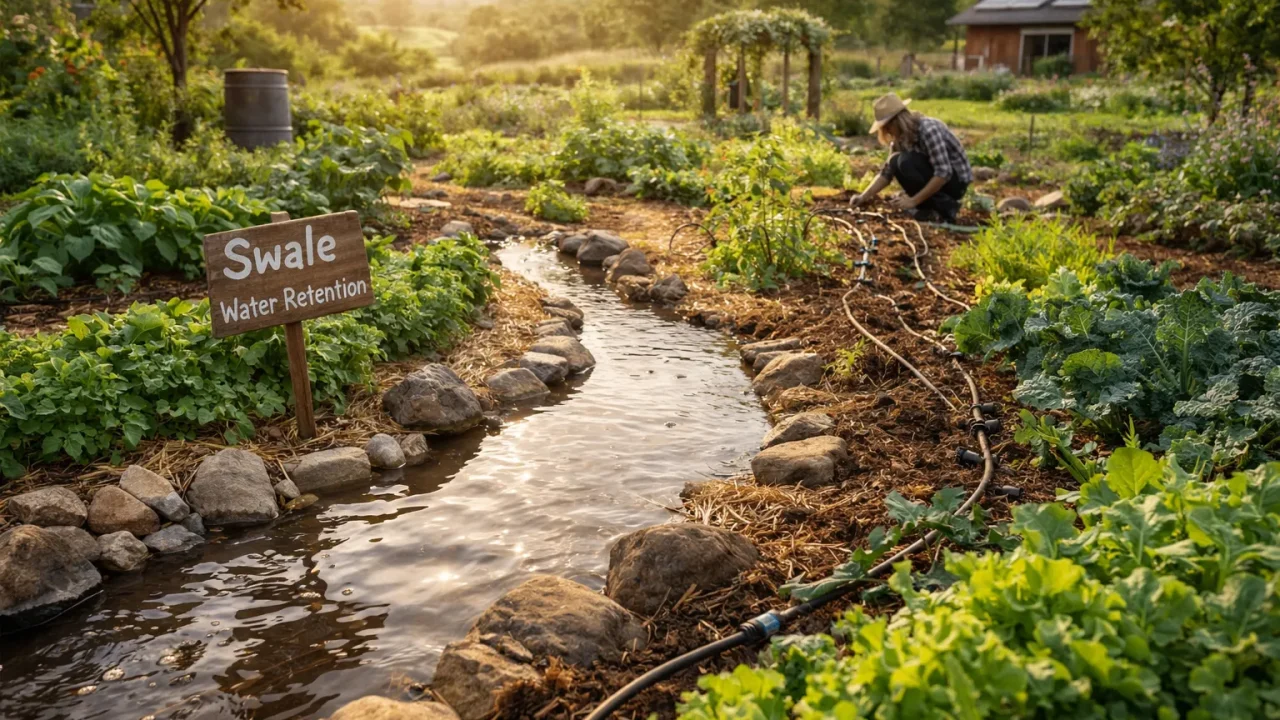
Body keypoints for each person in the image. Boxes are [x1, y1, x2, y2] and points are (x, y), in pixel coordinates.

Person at [850, 93, 972, 223]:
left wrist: (912, 201)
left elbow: (944, 172)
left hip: (955, 182)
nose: (887, 132)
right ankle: (929, 209)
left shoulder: (929, 130)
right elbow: (886, 173)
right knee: (895, 161)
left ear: (896, 122)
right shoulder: (900, 139)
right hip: (937, 177)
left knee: (905, 161)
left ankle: (946, 207)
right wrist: (863, 196)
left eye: (887, 127)